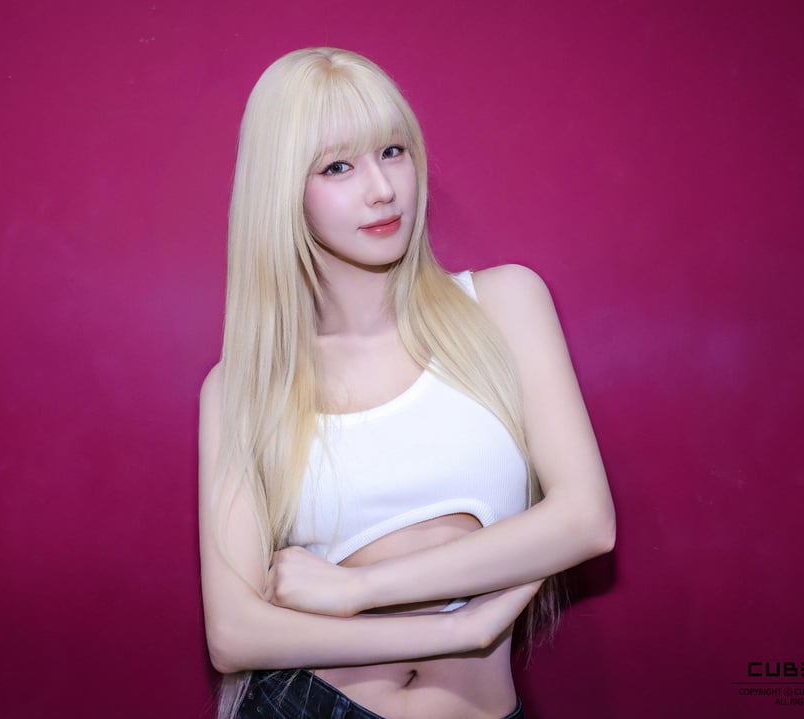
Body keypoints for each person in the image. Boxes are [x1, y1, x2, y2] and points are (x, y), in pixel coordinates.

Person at [198, 47, 615, 719]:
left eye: (392, 152)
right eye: (337, 167)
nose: (382, 189)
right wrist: (457, 630)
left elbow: (586, 520)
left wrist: (357, 589)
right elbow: (234, 634)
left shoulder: (505, 304)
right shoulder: (242, 388)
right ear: (283, 191)